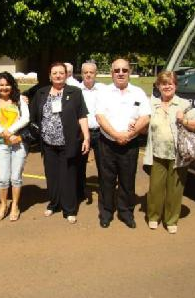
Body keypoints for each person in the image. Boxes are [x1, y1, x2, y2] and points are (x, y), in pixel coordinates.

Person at [30, 62, 89, 224]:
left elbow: (82, 115)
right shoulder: (41, 93)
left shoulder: (75, 92)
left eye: (61, 73)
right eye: (54, 73)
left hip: (68, 143)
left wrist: (86, 137)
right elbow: (32, 114)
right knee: (52, 176)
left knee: (68, 176)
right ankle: (54, 204)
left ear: (66, 75)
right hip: (48, 144)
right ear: (50, 75)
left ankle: (69, 209)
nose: (57, 75)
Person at [143, 71, 195, 234]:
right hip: (157, 153)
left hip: (178, 155)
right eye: (163, 83)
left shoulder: (183, 104)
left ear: (175, 86)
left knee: (175, 190)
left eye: (170, 83)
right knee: (155, 188)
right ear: (158, 86)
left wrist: (184, 120)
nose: (167, 86)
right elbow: (144, 121)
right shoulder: (152, 103)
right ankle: (154, 216)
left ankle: (171, 219)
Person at [96, 59, 151, 229]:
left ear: (129, 72)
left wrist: (129, 134)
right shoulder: (103, 92)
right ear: (112, 73)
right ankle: (106, 212)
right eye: (117, 70)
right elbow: (100, 117)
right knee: (107, 180)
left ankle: (126, 212)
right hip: (107, 143)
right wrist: (116, 135)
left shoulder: (138, 92)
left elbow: (145, 116)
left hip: (130, 144)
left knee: (128, 180)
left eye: (124, 70)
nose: (121, 73)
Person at [0, 72, 30, 221]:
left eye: (7, 84)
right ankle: (3, 205)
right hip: (1, 145)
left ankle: (15, 206)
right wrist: (6, 134)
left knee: (16, 178)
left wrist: (11, 133)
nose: (4, 87)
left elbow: (26, 118)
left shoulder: (19, 100)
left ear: (12, 85)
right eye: (1, 84)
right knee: (3, 178)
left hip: (19, 143)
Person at [77, 62, 106, 201]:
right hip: (82, 133)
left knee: (103, 164)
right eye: (85, 72)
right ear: (82, 73)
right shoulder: (76, 90)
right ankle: (80, 191)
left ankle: (104, 191)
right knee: (80, 164)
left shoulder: (104, 90)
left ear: (96, 74)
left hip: (100, 132)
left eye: (91, 72)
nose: (88, 75)